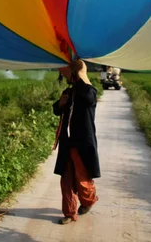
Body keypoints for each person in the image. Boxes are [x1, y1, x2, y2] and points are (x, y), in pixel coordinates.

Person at [52, 59, 100, 224]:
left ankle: (88, 201)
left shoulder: (89, 91)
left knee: (82, 179)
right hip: (67, 143)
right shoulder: (69, 92)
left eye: (70, 74)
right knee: (66, 180)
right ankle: (69, 213)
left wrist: (78, 74)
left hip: (82, 143)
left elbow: (88, 98)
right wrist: (61, 103)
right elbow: (56, 110)